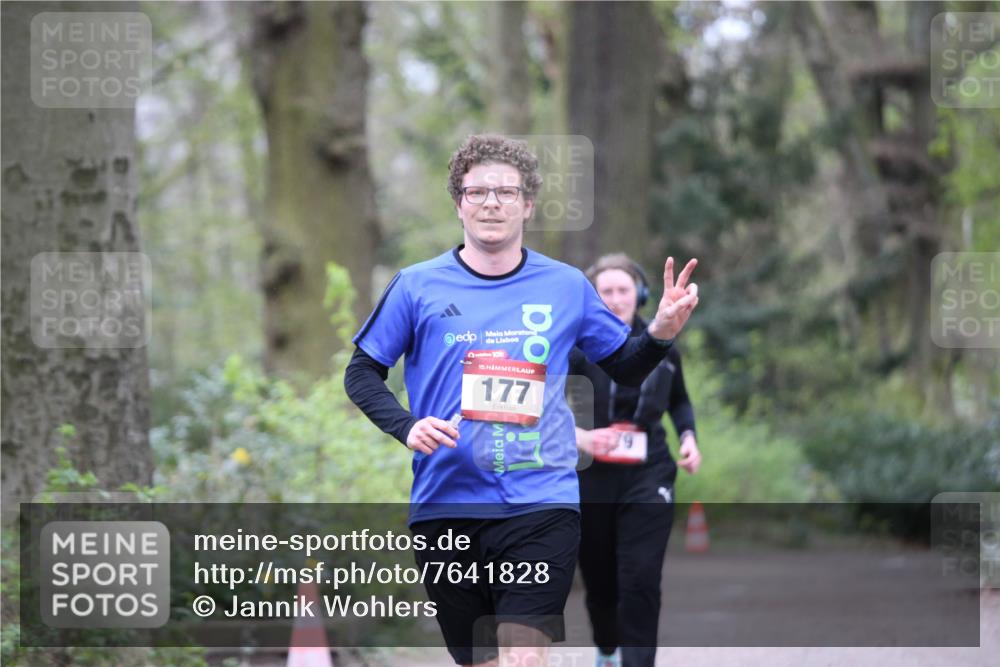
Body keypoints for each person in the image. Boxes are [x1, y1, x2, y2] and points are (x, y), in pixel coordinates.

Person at [343, 134, 699, 667]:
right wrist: (406, 425)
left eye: (506, 192)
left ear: (528, 204)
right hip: (446, 504)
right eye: (477, 192)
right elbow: (361, 373)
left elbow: (625, 366)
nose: (491, 203)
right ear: (459, 203)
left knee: (523, 657)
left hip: (541, 501)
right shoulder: (417, 286)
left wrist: (661, 332)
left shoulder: (565, 285)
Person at [569, 253, 701, 667]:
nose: (615, 298)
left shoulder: (663, 344)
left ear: (639, 294)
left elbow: (680, 401)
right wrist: (583, 438)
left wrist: (689, 438)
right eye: (605, 291)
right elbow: (545, 404)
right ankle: (607, 648)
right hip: (591, 474)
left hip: (649, 471)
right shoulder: (577, 348)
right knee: (600, 582)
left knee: (641, 576)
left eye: (622, 289)